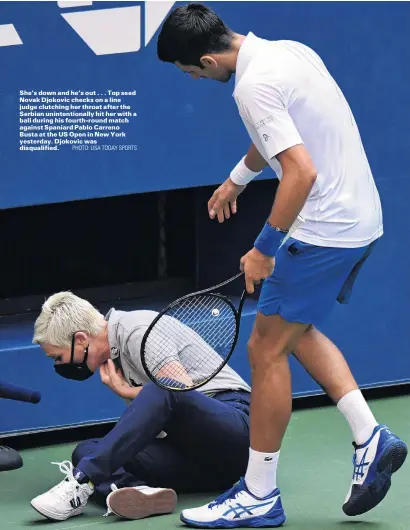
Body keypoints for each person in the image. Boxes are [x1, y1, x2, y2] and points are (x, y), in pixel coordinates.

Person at [156, 3, 408, 528]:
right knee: (294, 328)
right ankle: (369, 436)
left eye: (191, 73)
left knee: (265, 348)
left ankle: (259, 494)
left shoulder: (250, 88)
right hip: (363, 216)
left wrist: (264, 248)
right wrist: (237, 179)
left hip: (325, 227)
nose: (196, 80)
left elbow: (300, 171)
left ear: (206, 59)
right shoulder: (286, 52)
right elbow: (276, 135)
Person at [30, 291, 251, 522]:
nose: (59, 365)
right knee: (86, 450)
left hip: (235, 428)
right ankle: (139, 493)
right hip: (205, 464)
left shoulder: (137, 330)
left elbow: (179, 392)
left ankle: (82, 480)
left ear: (81, 339)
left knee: (164, 388)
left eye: (58, 357)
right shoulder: (113, 354)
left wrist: (128, 392)